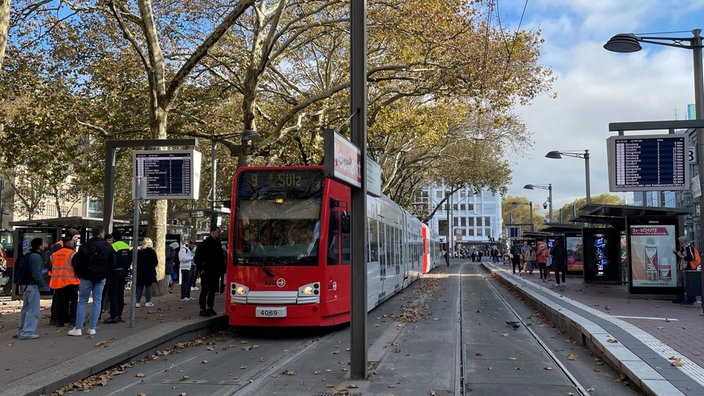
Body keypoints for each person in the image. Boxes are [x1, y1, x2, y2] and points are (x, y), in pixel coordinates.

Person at [68, 225, 115, 337]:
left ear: (93, 233)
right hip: (101, 277)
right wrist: (105, 273)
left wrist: (80, 274)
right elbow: (113, 263)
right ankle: (92, 328)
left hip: (86, 276)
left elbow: (77, 262)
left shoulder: (85, 246)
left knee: (83, 301)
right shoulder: (107, 247)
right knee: (97, 302)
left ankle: (78, 328)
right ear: (102, 233)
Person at [48, 229, 79, 326]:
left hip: (58, 281)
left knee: (59, 301)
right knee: (73, 301)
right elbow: (77, 267)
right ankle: (73, 320)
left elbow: (52, 265)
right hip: (71, 281)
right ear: (70, 243)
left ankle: (59, 321)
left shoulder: (55, 254)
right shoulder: (73, 254)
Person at [17, 238, 47, 340]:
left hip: (26, 285)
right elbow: (36, 273)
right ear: (39, 246)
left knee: (25, 309)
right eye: (43, 243)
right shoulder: (36, 257)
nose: (45, 245)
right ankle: (27, 332)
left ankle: (22, 331)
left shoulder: (29, 255)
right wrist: (43, 284)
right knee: (33, 310)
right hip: (32, 286)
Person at [194, 226, 225, 317]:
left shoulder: (217, 243)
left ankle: (210, 307)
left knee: (212, 290)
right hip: (207, 271)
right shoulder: (205, 244)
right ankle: (202, 308)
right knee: (205, 290)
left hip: (215, 271)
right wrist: (202, 269)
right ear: (212, 232)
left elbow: (220, 258)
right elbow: (197, 258)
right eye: (218, 232)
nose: (219, 234)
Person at [104, 230, 131, 324]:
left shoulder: (113, 246)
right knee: (120, 293)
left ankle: (114, 315)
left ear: (114, 238)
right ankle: (119, 314)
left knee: (113, 294)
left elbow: (110, 260)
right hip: (124, 271)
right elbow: (130, 259)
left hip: (114, 272)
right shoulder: (126, 246)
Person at [673, 236, 697, 304]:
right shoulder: (683, 248)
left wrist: (681, 256)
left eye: (681, 242)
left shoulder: (689, 248)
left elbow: (691, 258)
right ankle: (680, 298)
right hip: (681, 267)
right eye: (680, 242)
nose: (680, 244)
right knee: (680, 283)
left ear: (686, 242)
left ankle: (690, 299)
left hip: (687, 268)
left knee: (688, 283)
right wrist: (677, 253)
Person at [135, 237, 158, 308]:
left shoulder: (139, 251)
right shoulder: (151, 251)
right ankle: (148, 301)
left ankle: (137, 302)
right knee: (148, 286)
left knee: (139, 286)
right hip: (149, 271)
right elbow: (155, 262)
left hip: (140, 271)